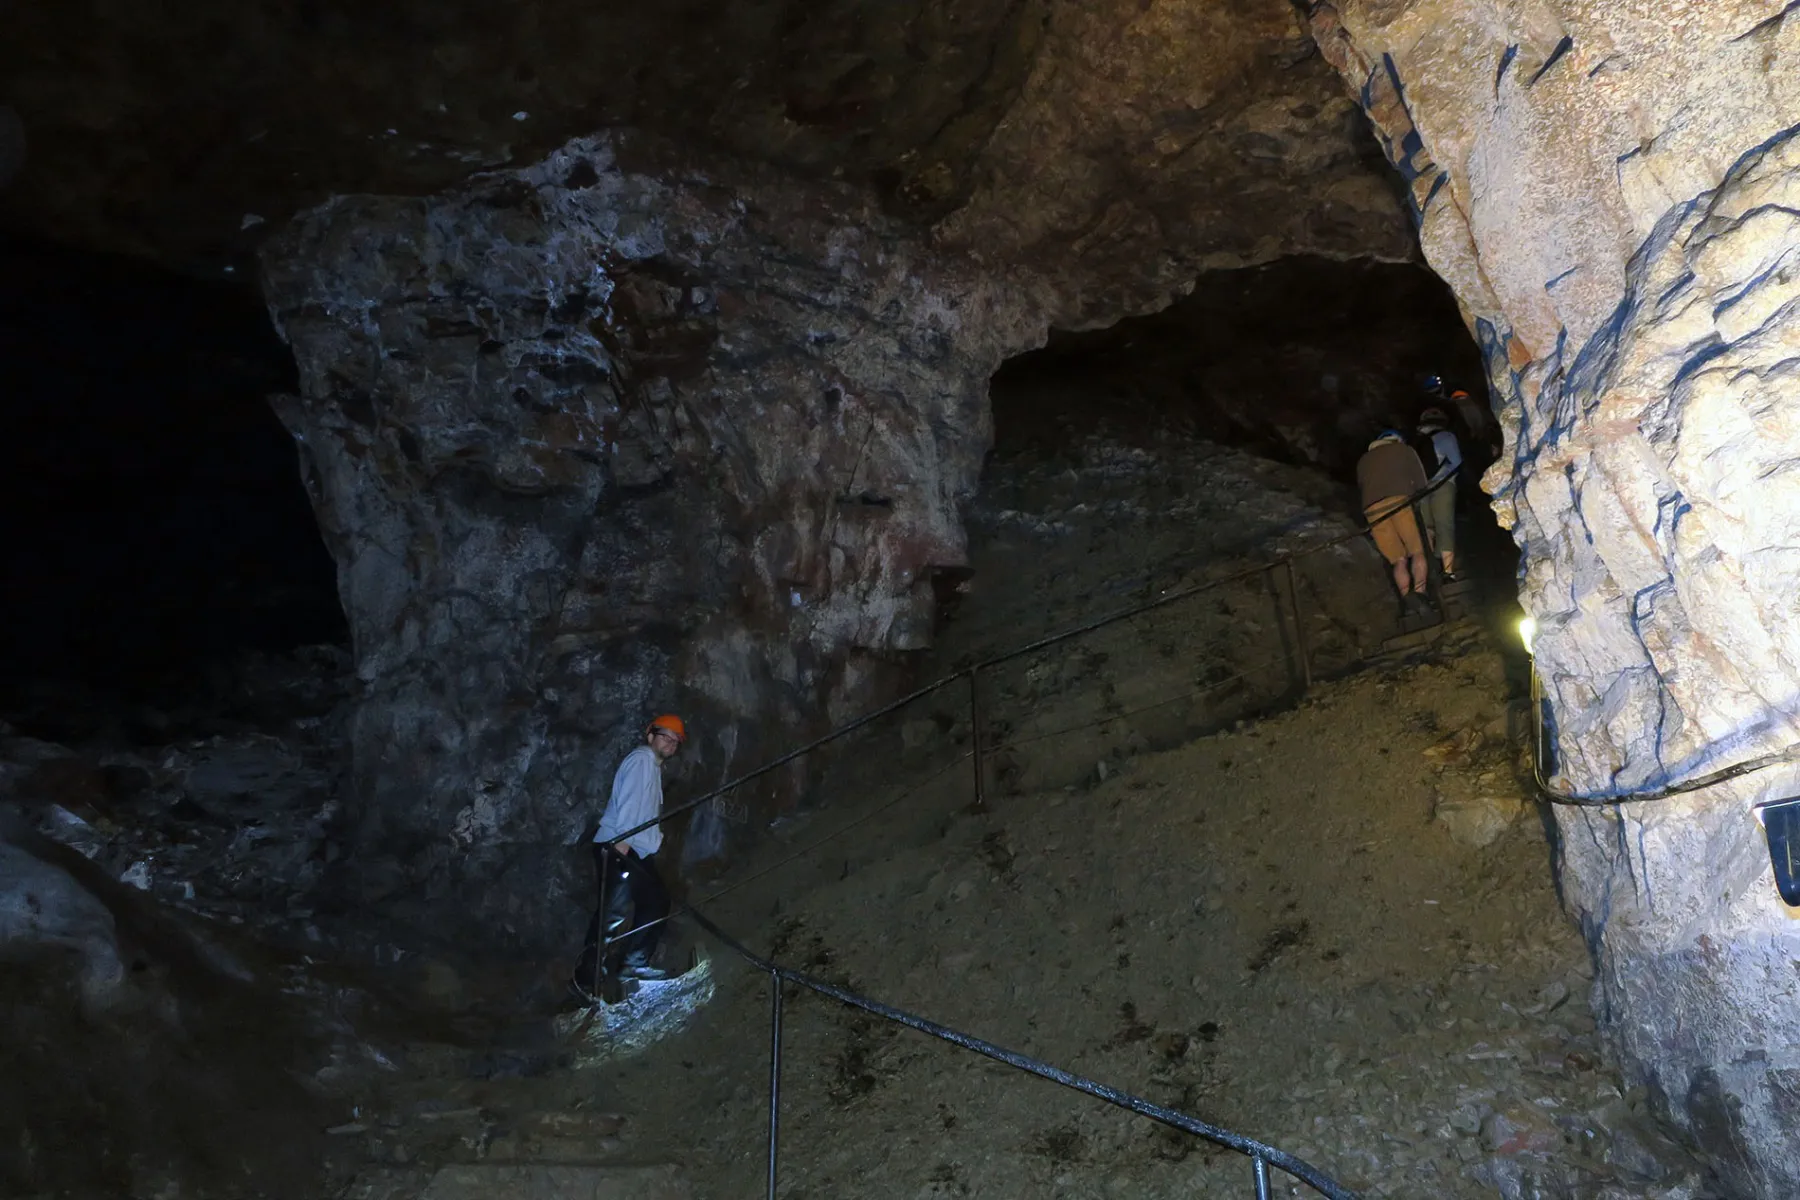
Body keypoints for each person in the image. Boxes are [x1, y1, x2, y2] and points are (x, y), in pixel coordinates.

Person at [575, 714, 686, 993]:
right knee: (612, 912)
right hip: (621, 846)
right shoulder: (641, 760)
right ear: (650, 736)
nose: (670, 743)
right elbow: (630, 801)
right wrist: (622, 843)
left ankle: (632, 964)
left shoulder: (651, 766)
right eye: (665, 737)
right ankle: (586, 980)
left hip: (632, 848)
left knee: (655, 901)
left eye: (675, 741)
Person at [1356, 430, 1431, 614]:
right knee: (1417, 551)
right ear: (1396, 440)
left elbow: (1362, 485)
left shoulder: (1363, 460)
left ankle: (1408, 600)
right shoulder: (1404, 450)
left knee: (1398, 560)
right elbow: (1422, 483)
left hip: (1373, 510)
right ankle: (1420, 594)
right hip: (1399, 502)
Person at [1415, 406, 1464, 579]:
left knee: (1427, 527)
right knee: (1444, 525)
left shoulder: (1417, 440)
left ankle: (1430, 568)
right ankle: (1448, 572)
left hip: (1421, 487)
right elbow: (1457, 462)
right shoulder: (1447, 437)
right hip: (1443, 484)